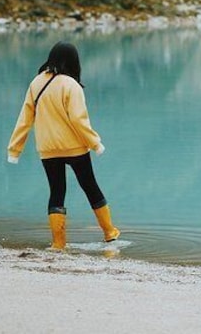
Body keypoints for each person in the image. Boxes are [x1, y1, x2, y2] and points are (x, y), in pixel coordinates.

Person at [7, 41, 119, 249]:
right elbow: (79, 120)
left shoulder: (36, 83)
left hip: (48, 149)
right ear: (74, 62)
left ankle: (58, 244)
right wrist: (95, 143)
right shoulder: (71, 85)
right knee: (90, 187)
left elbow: (25, 119)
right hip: (74, 147)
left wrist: (15, 149)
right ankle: (110, 233)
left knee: (57, 192)